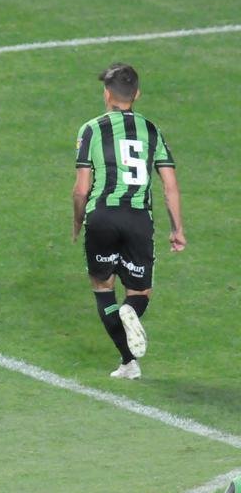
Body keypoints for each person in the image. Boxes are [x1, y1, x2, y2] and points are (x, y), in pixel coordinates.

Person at [71, 63, 185, 379]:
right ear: (137, 94)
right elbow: (170, 185)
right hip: (138, 219)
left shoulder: (91, 129)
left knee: (102, 287)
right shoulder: (152, 130)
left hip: (102, 216)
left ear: (107, 95)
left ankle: (128, 361)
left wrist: (78, 221)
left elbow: (81, 189)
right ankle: (131, 317)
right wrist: (178, 229)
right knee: (139, 292)